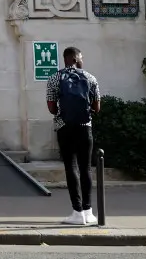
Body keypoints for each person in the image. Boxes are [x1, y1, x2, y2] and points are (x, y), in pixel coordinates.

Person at [46, 45, 101, 225]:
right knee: (86, 168)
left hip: (64, 127)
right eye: (82, 58)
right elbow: (97, 108)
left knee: (71, 167)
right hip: (85, 127)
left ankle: (76, 213)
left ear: (65, 59)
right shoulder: (91, 78)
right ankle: (88, 212)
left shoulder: (55, 78)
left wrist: (63, 113)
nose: (82, 60)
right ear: (77, 59)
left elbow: (52, 108)